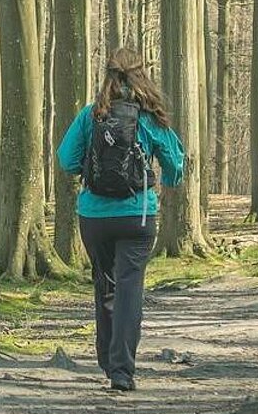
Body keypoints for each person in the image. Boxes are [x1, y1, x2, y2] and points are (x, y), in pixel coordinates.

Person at [54, 49, 187, 392]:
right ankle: (122, 370)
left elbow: (66, 159)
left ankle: (107, 360)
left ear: (108, 77)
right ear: (142, 76)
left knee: (106, 285)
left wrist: (90, 169)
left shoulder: (91, 115)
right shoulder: (150, 118)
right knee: (130, 289)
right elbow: (175, 163)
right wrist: (168, 180)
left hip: (94, 216)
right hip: (137, 215)